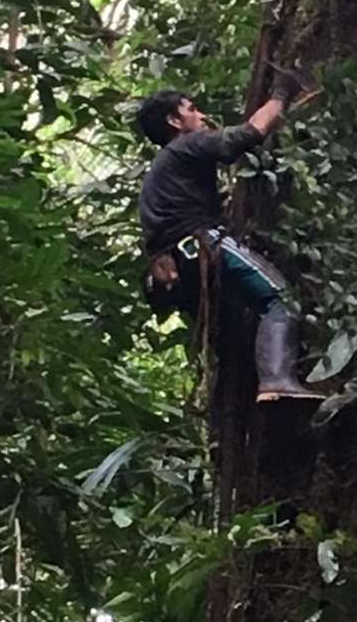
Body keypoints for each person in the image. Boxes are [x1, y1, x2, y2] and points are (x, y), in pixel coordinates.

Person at [136, 72, 321, 403]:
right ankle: (277, 379)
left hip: (183, 265)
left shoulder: (163, 170)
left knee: (236, 331)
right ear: (174, 120)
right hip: (202, 244)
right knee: (281, 300)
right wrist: (281, 94)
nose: (202, 115)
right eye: (192, 109)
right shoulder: (186, 145)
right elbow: (244, 135)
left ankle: (247, 394)